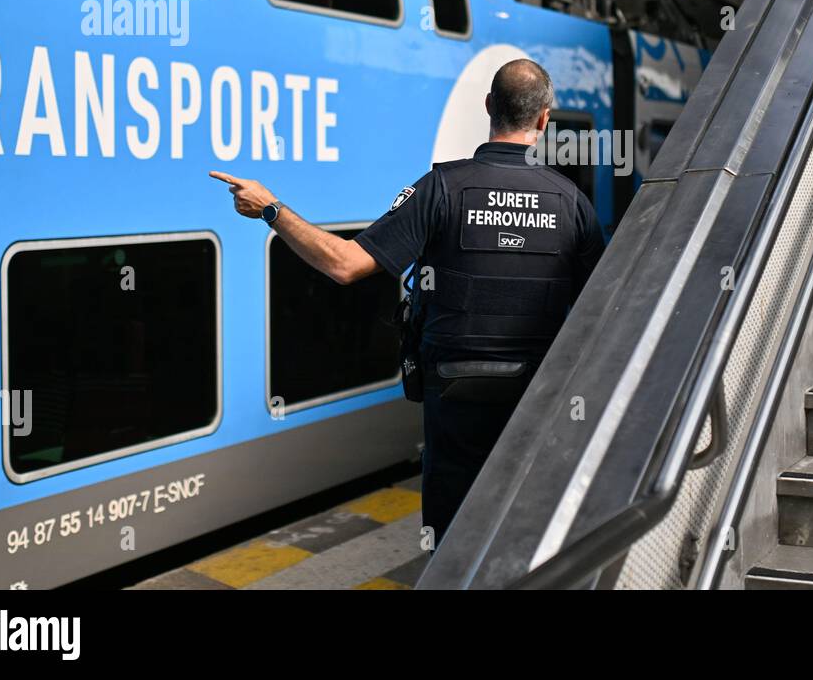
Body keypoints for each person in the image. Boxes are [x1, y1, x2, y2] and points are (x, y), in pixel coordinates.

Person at [210, 59, 605, 545]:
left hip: (454, 397)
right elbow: (604, 309)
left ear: (488, 108)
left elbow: (345, 264)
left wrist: (271, 209)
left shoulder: (441, 188)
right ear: (545, 119)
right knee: (527, 531)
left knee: (452, 538)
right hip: (537, 398)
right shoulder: (571, 203)